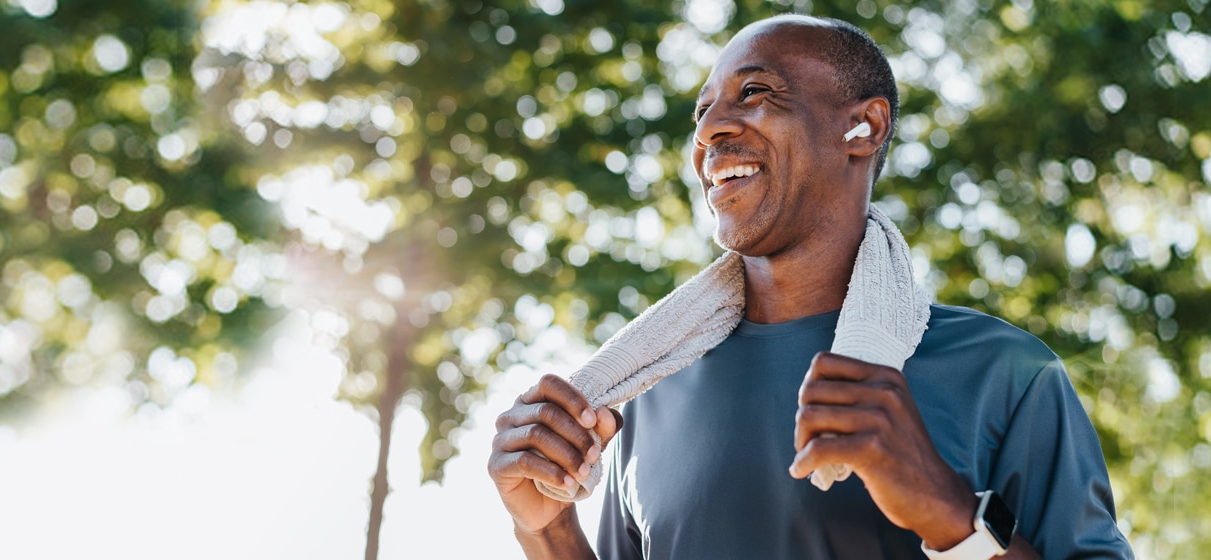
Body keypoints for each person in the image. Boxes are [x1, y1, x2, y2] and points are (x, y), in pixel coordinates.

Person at [485, 15, 1132, 559]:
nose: (710, 130)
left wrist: (953, 518)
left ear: (863, 129)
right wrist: (547, 531)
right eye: (703, 110)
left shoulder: (1004, 374)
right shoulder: (644, 394)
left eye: (756, 93)